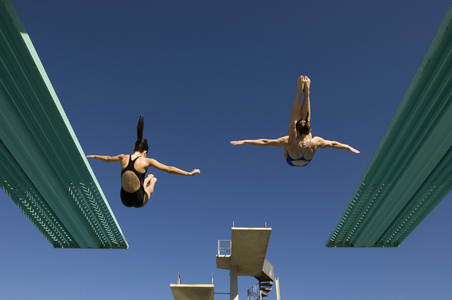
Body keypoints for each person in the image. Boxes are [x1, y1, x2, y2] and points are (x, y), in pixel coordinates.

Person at [230, 75, 359, 167]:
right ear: (310, 130)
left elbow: (265, 142)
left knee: (293, 128)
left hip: (291, 159)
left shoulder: (292, 140)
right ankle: (305, 91)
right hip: (300, 156)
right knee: (295, 124)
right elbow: (333, 144)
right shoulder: (314, 141)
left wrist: (245, 142)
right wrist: (347, 147)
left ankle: (302, 91)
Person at [87, 117, 200, 208]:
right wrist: (188, 173)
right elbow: (169, 169)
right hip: (139, 199)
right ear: (145, 151)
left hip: (124, 198)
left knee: (142, 186)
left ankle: (146, 180)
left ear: (133, 150)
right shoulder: (147, 161)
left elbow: (107, 158)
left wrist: (94, 156)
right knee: (148, 190)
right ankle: (151, 181)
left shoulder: (123, 157)